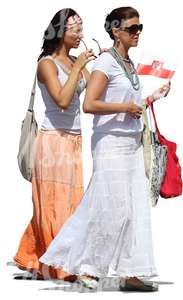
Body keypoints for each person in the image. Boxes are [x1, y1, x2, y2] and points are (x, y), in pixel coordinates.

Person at [39, 7, 170, 291]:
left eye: (140, 28)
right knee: (106, 206)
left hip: (130, 144)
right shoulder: (106, 63)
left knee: (132, 209)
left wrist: (151, 98)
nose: (137, 33)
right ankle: (85, 266)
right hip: (109, 144)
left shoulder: (129, 64)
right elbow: (90, 105)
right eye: (131, 28)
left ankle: (130, 271)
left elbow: (130, 109)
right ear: (115, 30)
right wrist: (126, 106)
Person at [13, 8, 95, 281]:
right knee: (53, 205)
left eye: (81, 29)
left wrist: (105, 63)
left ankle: (34, 256)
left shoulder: (76, 62)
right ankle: (62, 267)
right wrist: (80, 67)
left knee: (71, 204)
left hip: (73, 141)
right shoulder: (47, 64)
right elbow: (61, 99)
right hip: (52, 142)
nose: (81, 35)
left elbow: (93, 97)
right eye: (75, 29)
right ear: (61, 32)